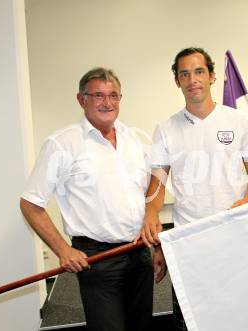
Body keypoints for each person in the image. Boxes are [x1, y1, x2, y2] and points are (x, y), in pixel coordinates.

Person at [20, 67, 166, 331]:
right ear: (81, 99)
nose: (107, 103)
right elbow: (30, 204)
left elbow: (153, 189)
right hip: (97, 259)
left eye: (113, 95)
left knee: (141, 327)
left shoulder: (136, 139)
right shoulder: (62, 144)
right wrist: (63, 250)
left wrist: (156, 239)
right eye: (98, 95)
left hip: (138, 251)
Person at [138, 47, 248, 330]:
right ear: (177, 81)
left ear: (212, 76)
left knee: (240, 317)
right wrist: (150, 212)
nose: (192, 79)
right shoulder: (165, 128)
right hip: (188, 241)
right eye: (184, 74)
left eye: (198, 72)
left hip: (235, 236)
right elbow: (157, 182)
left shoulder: (239, 122)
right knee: (191, 321)